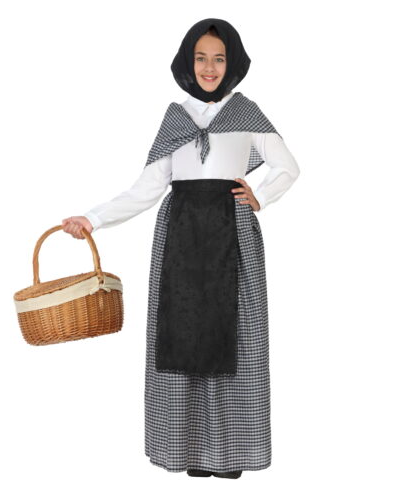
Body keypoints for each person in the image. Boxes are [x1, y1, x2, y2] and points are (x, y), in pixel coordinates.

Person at [62, 18, 300, 478]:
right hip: (181, 236)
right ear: (187, 64)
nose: (209, 68)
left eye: (219, 59)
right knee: (181, 336)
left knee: (236, 339)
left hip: (233, 234)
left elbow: (288, 166)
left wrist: (262, 196)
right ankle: (189, 452)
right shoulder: (176, 117)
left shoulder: (246, 114)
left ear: (232, 63)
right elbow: (146, 189)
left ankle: (231, 456)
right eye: (201, 58)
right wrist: (92, 218)